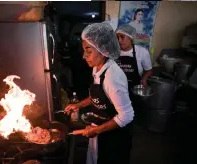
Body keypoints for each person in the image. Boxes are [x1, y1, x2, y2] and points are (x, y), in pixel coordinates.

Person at [65, 23, 134, 164]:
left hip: (114, 137)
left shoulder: (112, 77)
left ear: (103, 50)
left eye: (88, 51)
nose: (84, 56)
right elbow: (98, 96)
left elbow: (127, 115)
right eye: (84, 50)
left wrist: (97, 130)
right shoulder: (97, 68)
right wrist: (78, 105)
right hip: (100, 127)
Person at [115, 24, 153, 89]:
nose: (119, 41)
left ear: (130, 37)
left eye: (122, 37)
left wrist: (144, 78)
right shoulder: (114, 52)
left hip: (135, 88)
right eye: (117, 38)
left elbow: (149, 70)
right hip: (117, 88)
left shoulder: (142, 52)